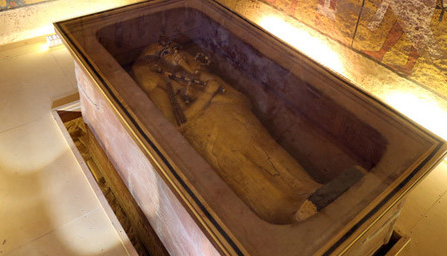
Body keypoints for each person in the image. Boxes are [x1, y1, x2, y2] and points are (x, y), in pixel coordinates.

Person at [132, 38, 364, 224]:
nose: (175, 54)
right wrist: (207, 95)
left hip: (239, 121)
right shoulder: (161, 86)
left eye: (175, 48)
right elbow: (177, 126)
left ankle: (312, 190)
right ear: (156, 64)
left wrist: (209, 91)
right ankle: (285, 211)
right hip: (210, 135)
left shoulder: (197, 75)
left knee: (271, 153)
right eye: (166, 52)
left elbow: (236, 97)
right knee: (247, 171)